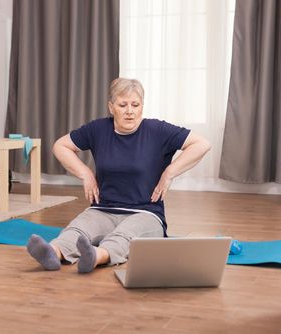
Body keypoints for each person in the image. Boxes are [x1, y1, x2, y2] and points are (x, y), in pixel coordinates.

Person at [26, 77, 211, 273]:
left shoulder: (157, 130)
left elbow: (202, 144)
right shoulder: (98, 129)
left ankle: (96, 256)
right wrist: (85, 173)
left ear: (142, 107)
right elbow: (60, 146)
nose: (130, 111)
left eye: (135, 105)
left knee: (123, 235)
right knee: (78, 230)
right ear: (111, 107)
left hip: (146, 213)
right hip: (103, 208)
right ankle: (53, 252)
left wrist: (169, 172)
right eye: (123, 105)